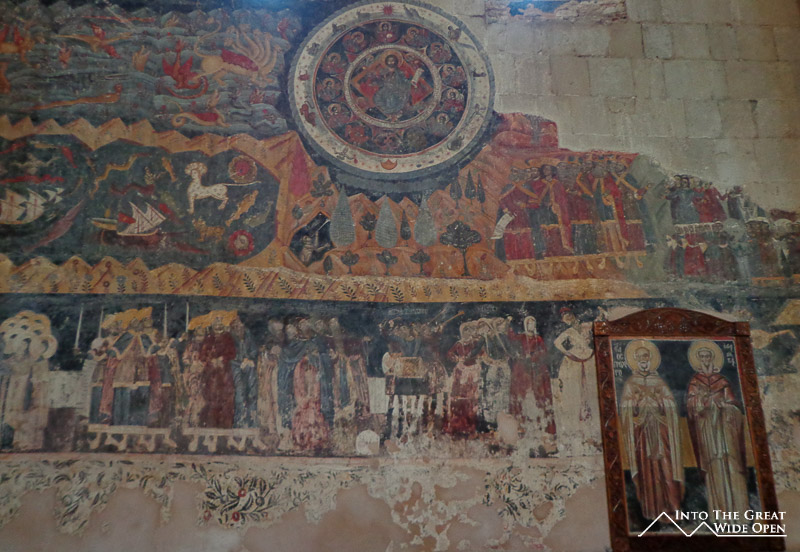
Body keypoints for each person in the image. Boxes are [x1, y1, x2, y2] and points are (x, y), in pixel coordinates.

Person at [619, 340, 684, 520]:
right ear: (636, 360)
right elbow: (626, 408)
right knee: (648, 472)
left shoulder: (659, 382)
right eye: (640, 357)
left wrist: (659, 401)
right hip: (643, 434)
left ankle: (673, 507)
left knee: (667, 469)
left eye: (646, 357)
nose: (644, 360)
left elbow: (670, 404)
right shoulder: (631, 383)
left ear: (650, 359)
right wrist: (638, 403)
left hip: (662, 433)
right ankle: (653, 511)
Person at [686, 341, 749, 517]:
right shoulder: (695, 382)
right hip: (708, 432)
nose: (705, 359)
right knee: (714, 468)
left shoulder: (722, 381)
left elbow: (734, 405)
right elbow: (692, 406)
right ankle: (719, 513)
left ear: (712, 358)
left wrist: (724, 406)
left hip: (725, 431)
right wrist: (702, 401)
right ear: (698, 360)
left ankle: (740, 512)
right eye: (702, 357)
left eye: (708, 356)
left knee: (732, 466)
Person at [552, 308, 597, 455]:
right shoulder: (569, 332)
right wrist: (567, 353)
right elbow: (557, 342)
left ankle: (592, 434)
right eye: (565, 318)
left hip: (588, 360)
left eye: (569, 316)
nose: (568, 319)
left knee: (591, 395)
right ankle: (575, 433)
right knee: (574, 395)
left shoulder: (586, 327)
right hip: (575, 361)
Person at [198, 314, 237, 428]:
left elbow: (232, 353)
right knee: (211, 397)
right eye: (215, 324)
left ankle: (225, 425)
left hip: (224, 372)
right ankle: (211, 424)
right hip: (211, 373)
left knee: (226, 397)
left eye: (219, 324)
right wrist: (210, 361)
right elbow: (202, 355)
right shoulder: (208, 338)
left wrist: (222, 359)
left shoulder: (227, 337)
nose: (217, 326)